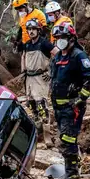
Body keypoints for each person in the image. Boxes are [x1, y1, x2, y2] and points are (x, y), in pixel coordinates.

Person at [50, 22, 90, 179]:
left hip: (72, 107)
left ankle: (72, 175)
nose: (59, 41)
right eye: (57, 38)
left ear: (70, 39)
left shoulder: (78, 56)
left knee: (68, 139)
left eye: (62, 38)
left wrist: (81, 99)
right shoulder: (58, 57)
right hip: (59, 107)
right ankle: (72, 171)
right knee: (64, 137)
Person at [22, 19, 58, 147]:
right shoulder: (27, 44)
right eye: (29, 29)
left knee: (42, 104)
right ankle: (38, 133)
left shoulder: (45, 44)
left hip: (41, 78)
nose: (31, 32)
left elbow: (58, 55)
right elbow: (24, 57)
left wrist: (51, 72)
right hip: (30, 79)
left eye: (33, 29)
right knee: (31, 104)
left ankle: (47, 135)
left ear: (38, 30)